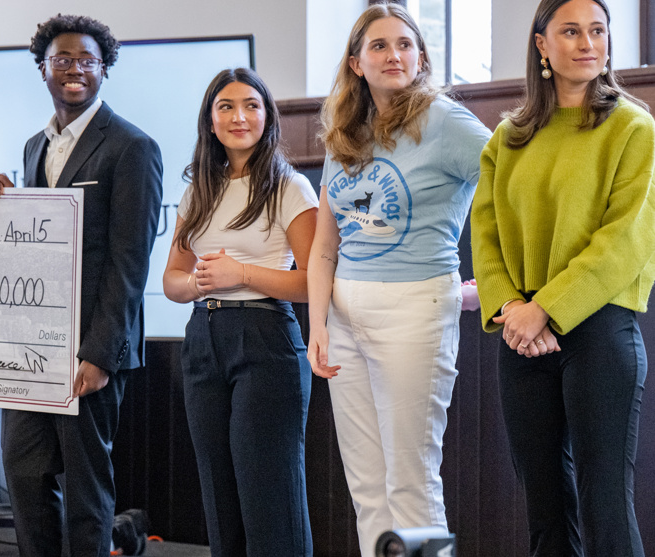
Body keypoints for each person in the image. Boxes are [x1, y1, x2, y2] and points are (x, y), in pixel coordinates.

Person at [306, 5, 492, 556]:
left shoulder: (444, 120)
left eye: (406, 44)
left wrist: (490, 286)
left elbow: (510, 193)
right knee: (366, 488)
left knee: (411, 484)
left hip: (414, 310)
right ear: (357, 63)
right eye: (381, 46)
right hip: (342, 316)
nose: (395, 55)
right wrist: (317, 323)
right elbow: (323, 246)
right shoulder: (345, 134)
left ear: (421, 57)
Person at [470, 0, 655, 554]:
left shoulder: (633, 127)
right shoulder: (508, 137)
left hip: (599, 329)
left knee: (604, 504)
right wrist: (512, 308)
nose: (586, 43)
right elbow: (485, 233)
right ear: (542, 44)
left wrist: (544, 307)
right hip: (521, 334)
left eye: (597, 31)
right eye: (570, 31)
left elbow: (626, 239)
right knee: (544, 506)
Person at [0, 14, 162, 557]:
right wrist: (4, 200)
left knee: (87, 489)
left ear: (104, 70)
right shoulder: (35, 146)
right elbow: (33, 244)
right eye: (62, 60)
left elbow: (130, 263)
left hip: (91, 351)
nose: (75, 70)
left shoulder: (132, 147)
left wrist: (100, 353)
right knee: (26, 478)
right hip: (31, 349)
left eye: (87, 61)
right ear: (43, 69)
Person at [162, 68, 317, 556]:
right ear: (210, 122)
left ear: (267, 116)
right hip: (203, 340)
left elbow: (313, 283)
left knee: (269, 495)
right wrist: (196, 283)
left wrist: (241, 274)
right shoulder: (199, 190)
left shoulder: (290, 188)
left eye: (251, 104)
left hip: (265, 337)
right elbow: (171, 279)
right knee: (219, 496)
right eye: (225, 106)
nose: (238, 116)